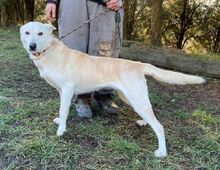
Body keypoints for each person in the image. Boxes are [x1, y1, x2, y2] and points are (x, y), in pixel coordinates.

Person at [45, 0, 123, 118]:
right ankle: (81, 96)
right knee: (73, 50)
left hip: (105, 6)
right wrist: (51, 1)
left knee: (105, 52)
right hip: (72, 5)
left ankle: (104, 94)